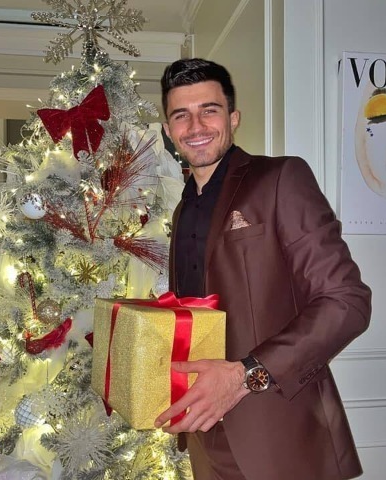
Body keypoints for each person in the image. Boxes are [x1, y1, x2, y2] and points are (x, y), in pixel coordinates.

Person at [154, 58, 372, 480]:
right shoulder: (182, 210)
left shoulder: (280, 179)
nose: (195, 126)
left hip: (280, 437)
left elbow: (346, 302)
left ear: (233, 118)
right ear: (168, 129)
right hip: (205, 436)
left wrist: (244, 376)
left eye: (209, 110)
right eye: (181, 115)